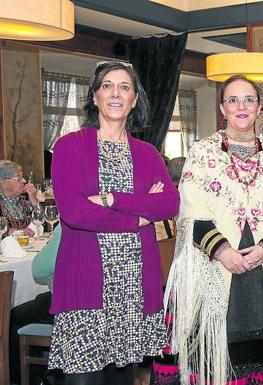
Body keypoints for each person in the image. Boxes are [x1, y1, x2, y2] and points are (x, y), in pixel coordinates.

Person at [157, 75, 263, 385]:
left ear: (259, 108)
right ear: (222, 109)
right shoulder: (202, 154)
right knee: (213, 358)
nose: (241, 106)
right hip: (213, 267)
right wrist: (223, 251)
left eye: (249, 100)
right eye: (233, 100)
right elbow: (190, 214)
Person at [49, 61, 180, 384]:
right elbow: (75, 213)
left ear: (134, 100)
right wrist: (138, 218)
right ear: (94, 97)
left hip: (133, 288)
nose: (116, 93)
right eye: (107, 85)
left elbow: (169, 203)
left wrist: (112, 199)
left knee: (122, 379)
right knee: (84, 379)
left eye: (124, 87)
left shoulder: (148, 153)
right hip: (85, 286)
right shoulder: (69, 147)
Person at [8, 225, 61, 383]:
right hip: (115, 303)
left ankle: (28, 378)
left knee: (12, 317)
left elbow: (39, 269)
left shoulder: (69, 223)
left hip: (72, 303)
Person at [0, 160, 39, 236]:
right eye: (18, 178)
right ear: (3, 182)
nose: (24, 181)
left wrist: (34, 200)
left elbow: (45, 226)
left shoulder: (24, 201)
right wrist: (18, 233)